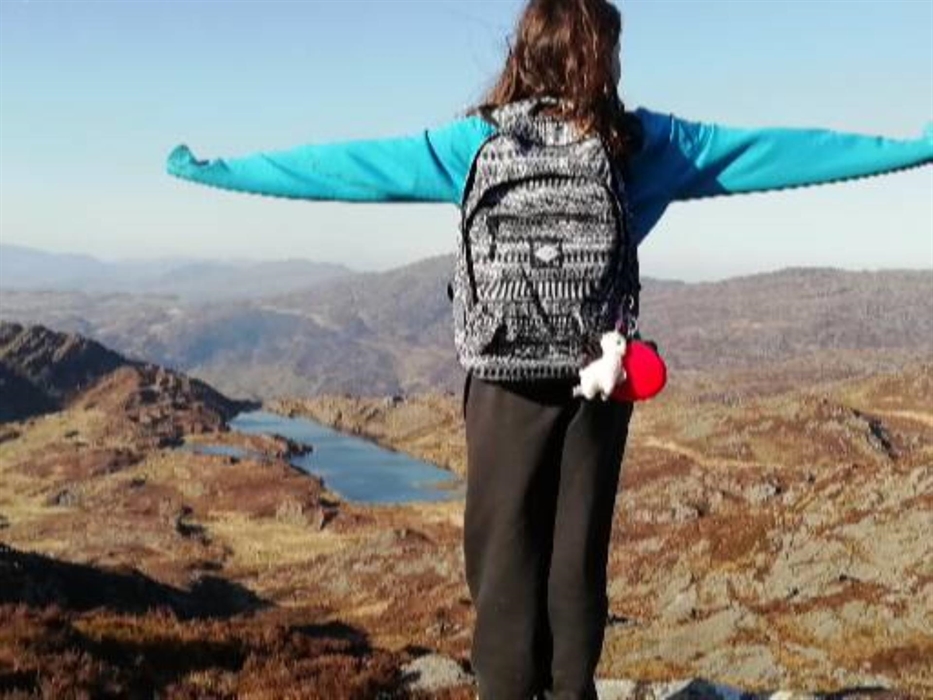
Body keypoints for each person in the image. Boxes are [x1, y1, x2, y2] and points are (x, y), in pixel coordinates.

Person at [165, 1, 932, 698]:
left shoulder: (473, 142)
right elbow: (782, 151)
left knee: (503, 553)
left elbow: (343, 169)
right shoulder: (646, 143)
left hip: (501, 376)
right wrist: (914, 148)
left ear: (522, 52)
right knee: (576, 552)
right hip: (600, 372)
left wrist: (213, 172)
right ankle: (570, 690)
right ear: (607, 58)